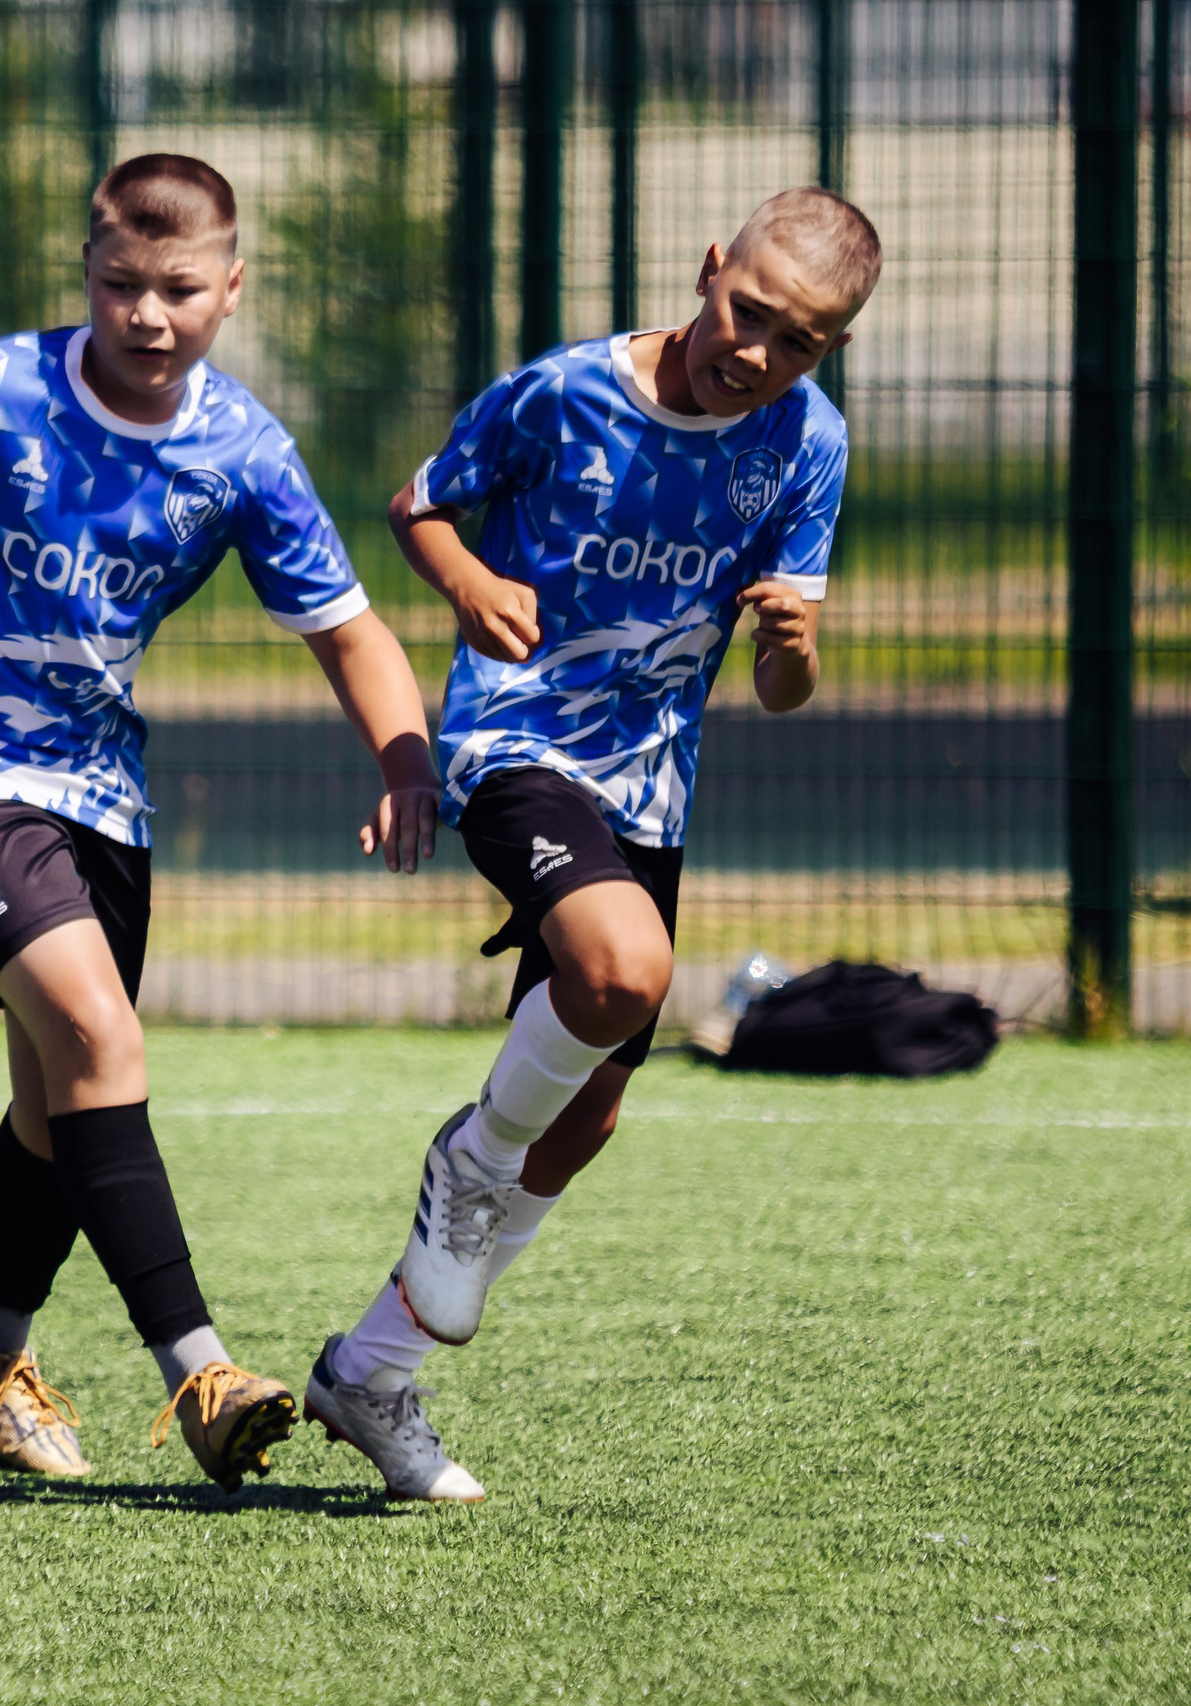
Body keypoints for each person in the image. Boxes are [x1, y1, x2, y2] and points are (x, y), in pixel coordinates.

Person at [0, 155, 439, 1489]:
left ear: (232, 287)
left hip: (102, 792)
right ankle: (200, 1369)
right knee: (98, 1030)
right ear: (86, 272)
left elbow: (347, 627)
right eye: (119, 285)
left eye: (180, 290)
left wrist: (406, 756)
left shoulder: (244, 451)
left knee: (60, 1098)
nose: (148, 315)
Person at [304, 187, 883, 1502]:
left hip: (650, 783)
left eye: (798, 341)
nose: (756, 353)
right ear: (707, 269)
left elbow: (782, 689)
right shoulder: (563, 394)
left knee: (593, 1110)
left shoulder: (809, 444)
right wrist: (466, 581)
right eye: (747, 314)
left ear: (828, 352)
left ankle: (372, 1372)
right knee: (626, 973)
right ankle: (468, 1163)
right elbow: (419, 503)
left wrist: (792, 655)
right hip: (517, 742)